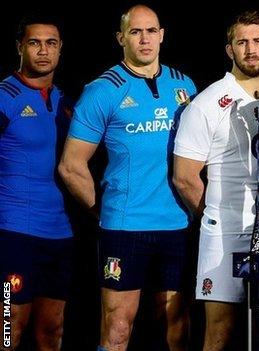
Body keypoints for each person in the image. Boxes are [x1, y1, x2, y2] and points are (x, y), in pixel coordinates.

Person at [57, 5, 196, 351]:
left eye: (151, 31)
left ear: (162, 35)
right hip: (124, 228)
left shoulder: (185, 86)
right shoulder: (103, 90)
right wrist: (101, 212)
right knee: (118, 327)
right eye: (135, 32)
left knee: (176, 327)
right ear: (121, 38)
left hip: (176, 225)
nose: (144, 39)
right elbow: (71, 165)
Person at [172, 10, 259, 351]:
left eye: (257, 41)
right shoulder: (207, 102)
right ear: (229, 49)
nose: (250, 49)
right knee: (219, 330)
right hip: (225, 231)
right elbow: (185, 177)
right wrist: (213, 215)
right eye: (242, 42)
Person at [0, 13, 72, 351]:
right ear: (20, 47)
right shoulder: (5, 96)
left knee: (51, 331)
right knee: (9, 328)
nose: (43, 51)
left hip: (60, 234)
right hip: (14, 232)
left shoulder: (63, 101)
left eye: (51, 43)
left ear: (59, 50)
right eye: (34, 43)